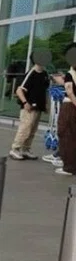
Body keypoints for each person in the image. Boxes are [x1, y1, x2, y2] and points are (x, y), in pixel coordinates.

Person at [10, 53, 50, 160]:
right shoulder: (31, 74)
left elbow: (45, 91)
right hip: (29, 107)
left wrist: (46, 104)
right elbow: (19, 90)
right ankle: (15, 149)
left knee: (32, 130)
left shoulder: (45, 74)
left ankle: (25, 149)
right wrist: (25, 103)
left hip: (38, 107)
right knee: (25, 128)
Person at [58, 45, 76, 176]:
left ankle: (69, 167)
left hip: (70, 107)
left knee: (66, 135)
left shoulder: (71, 73)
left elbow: (69, 91)